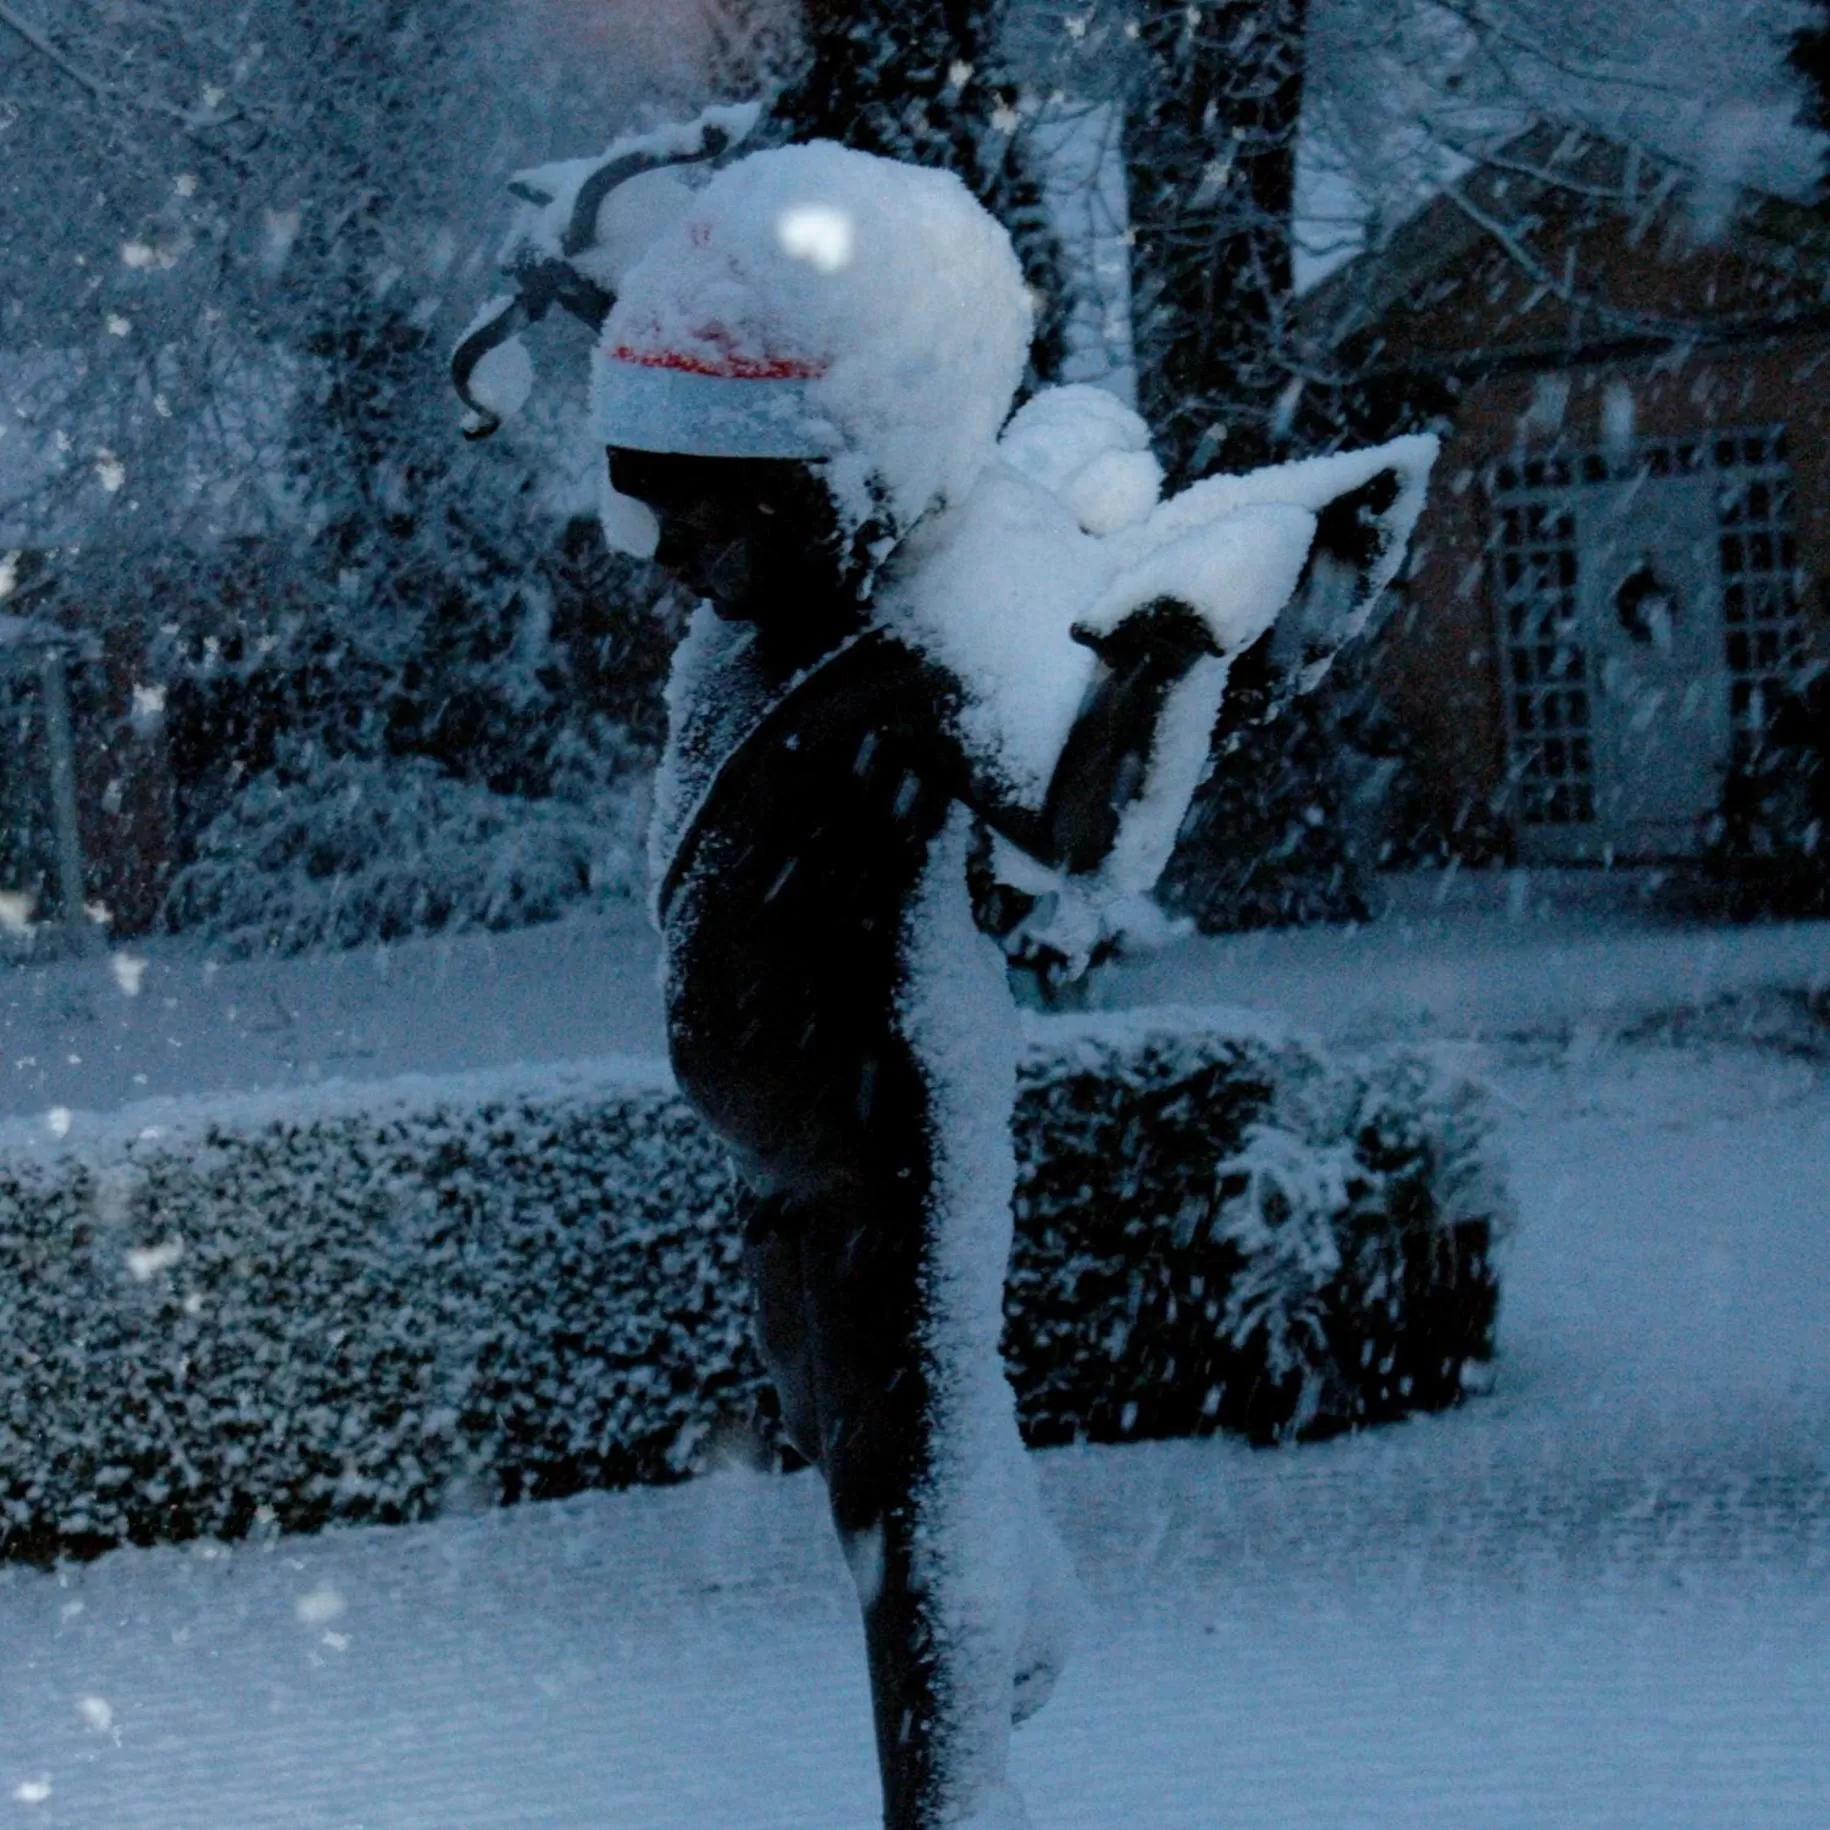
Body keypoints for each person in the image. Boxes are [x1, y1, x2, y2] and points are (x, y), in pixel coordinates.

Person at [461, 130, 1433, 1830]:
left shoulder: (919, 631)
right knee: (855, 1447)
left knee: (910, 1493)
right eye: (645, 481)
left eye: (698, 500)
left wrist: (1201, 617)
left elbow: (1078, 813)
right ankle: (992, 1624)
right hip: (788, 1154)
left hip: (884, 1127)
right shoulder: (747, 629)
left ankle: (956, 1778)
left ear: (846, 479)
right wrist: (583, 284)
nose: (653, 541)